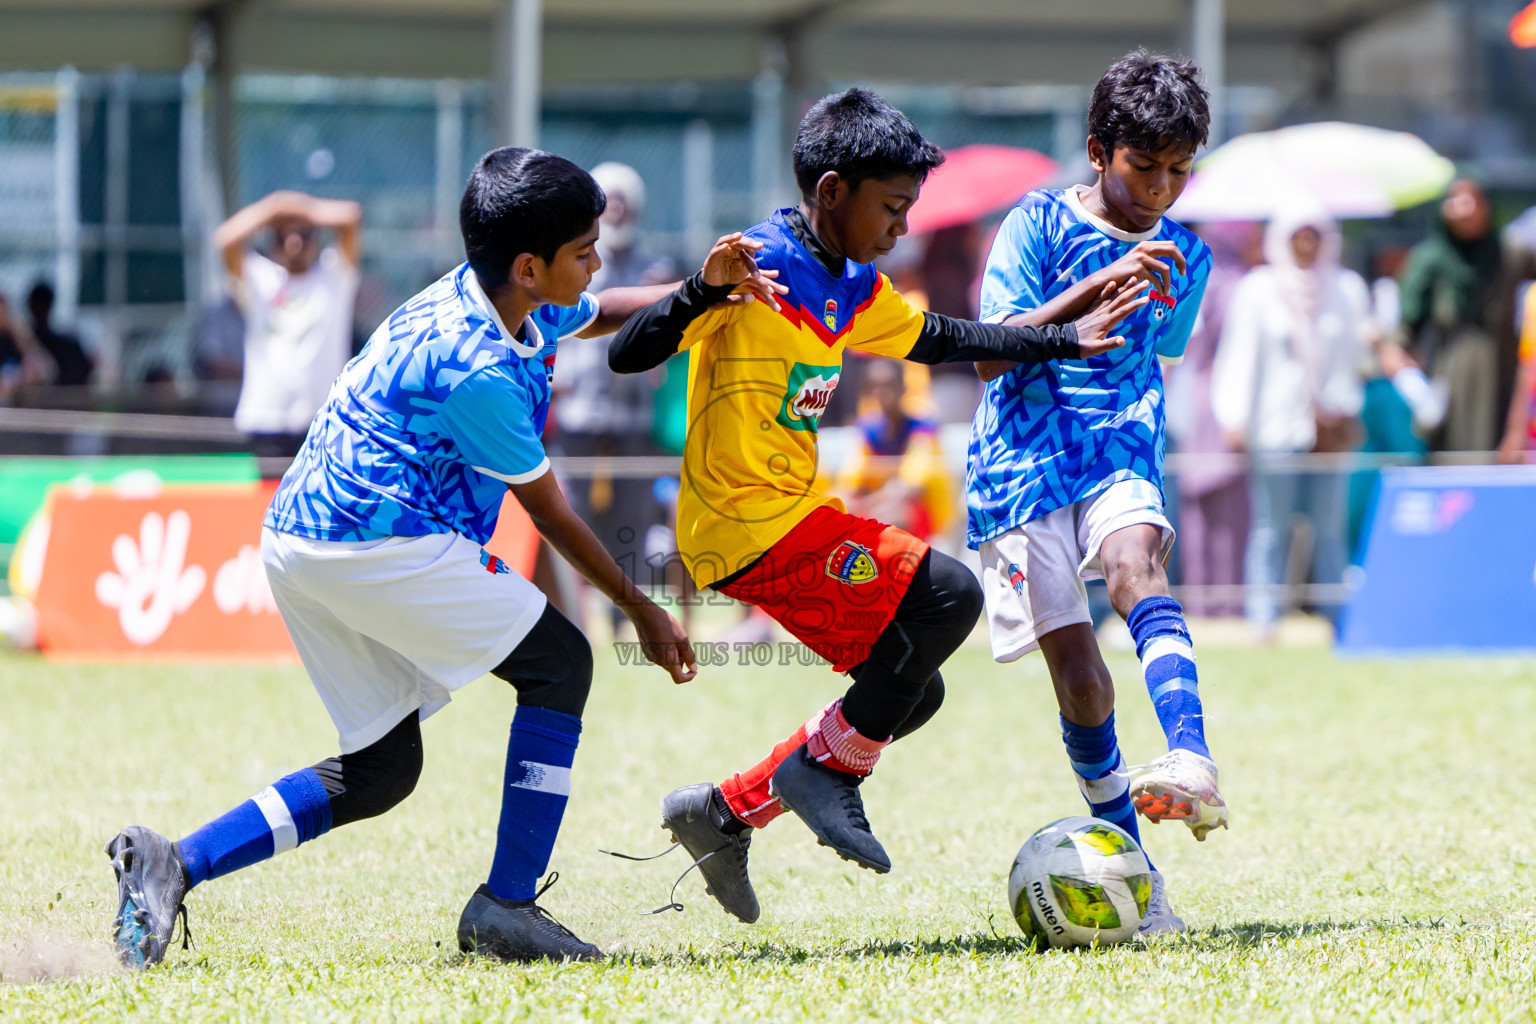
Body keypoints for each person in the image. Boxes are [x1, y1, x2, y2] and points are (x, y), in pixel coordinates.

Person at [102, 147, 759, 969]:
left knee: (381, 770)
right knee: (560, 664)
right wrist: (641, 608)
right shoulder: (474, 364)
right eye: (583, 251)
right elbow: (548, 511)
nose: (596, 263)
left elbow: (594, 312)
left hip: (301, 537)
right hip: (374, 539)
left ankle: (176, 863)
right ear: (529, 265)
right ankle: (506, 907)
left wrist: (703, 291)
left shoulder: (494, 293)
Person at [607, 87, 1144, 924]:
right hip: (742, 527)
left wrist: (1062, 337)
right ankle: (828, 774)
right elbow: (626, 353)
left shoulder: (853, 286)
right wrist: (701, 293)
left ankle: (722, 813)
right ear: (831, 193)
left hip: (792, 516)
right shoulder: (752, 269)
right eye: (892, 208)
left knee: (908, 687)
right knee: (950, 596)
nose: (903, 227)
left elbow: (948, 339)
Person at [968, 51, 1220, 935]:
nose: (1160, 188)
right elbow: (989, 349)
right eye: (1142, 166)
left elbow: (1163, 352)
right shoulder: (1033, 225)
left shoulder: (1189, 255)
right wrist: (1089, 300)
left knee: (1133, 567)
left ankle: (1190, 758)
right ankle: (1134, 868)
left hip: (1120, 451)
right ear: (1096, 151)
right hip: (1021, 465)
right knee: (1083, 683)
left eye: (1179, 171)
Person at [1212, 201, 1369, 636]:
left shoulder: (1346, 288)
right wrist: (1234, 416)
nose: (1305, 243)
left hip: (1329, 429)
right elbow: (1240, 357)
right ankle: (1264, 618)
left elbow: (1358, 359)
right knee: (1271, 527)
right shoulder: (1260, 288)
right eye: (1298, 234)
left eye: (1313, 235)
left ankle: (1340, 619)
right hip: (1276, 428)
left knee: (1330, 528)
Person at [549, 162, 675, 628]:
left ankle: (625, 613)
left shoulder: (654, 268)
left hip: (633, 414)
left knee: (633, 511)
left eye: (624, 202)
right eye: (610, 202)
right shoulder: (577, 261)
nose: (617, 211)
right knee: (573, 509)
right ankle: (572, 606)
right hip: (580, 408)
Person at [214, 190, 364, 458]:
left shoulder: (334, 275)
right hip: (267, 417)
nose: (294, 243)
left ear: (317, 240)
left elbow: (351, 217)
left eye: (304, 235)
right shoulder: (259, 278)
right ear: (273, 241)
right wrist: (275, 208)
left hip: (324, 416)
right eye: (283, 236)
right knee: (272, 497)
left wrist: (295, 207)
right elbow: (226, 237)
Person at [1164, 222, 1258, 617]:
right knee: (1227, 512)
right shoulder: (1239, 285)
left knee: (1201, 510)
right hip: (1224, 401)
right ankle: (1224, 604)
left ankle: (1205, 603)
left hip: (1190, 400)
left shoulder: (1193, 278)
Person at [1398, 178, 1513, 452]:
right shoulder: (1430, 259)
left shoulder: (1509, 254)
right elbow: (1405, 327)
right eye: (1455, 201)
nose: (1464, 210)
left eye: (1471, 200)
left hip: (1505, 373)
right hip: (1451, 370)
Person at [835, 357, 952, 542]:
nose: (882, 392)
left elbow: (911, 486)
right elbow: (850, 481)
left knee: (890, 516)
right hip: (880, 505)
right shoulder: (868, 430)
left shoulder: (922, 427)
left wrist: (866, 505)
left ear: (902, 388)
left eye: (889, 385)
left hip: (925, 512)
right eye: (874, 386)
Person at [25, 281, 93, 387]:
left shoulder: (69, 347)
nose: (40, 308)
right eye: (37, 303)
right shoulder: (19, 344)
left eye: (43, 303)